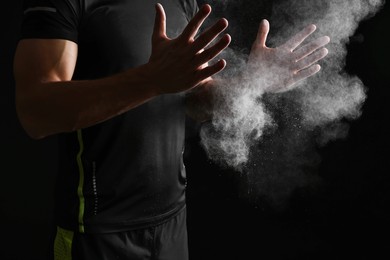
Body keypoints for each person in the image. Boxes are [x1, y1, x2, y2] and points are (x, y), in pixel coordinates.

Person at [13, 0, 330, 259]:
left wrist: (252, 83)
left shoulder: (182, 1)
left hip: (171, 224)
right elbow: (36, 112)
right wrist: (151, 82)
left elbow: (194, 98)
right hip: (97, 230)